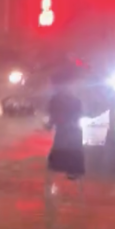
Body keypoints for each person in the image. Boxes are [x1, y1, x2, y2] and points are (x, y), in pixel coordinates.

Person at [45, 68, 85, 198]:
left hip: (65, 134)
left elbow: (53, 117)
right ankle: (74, 190)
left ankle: (56, 191)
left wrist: (50, 125)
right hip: (72, 133)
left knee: (56, 164)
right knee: (70, 164)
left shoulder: (56, 99)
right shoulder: (74, 98)